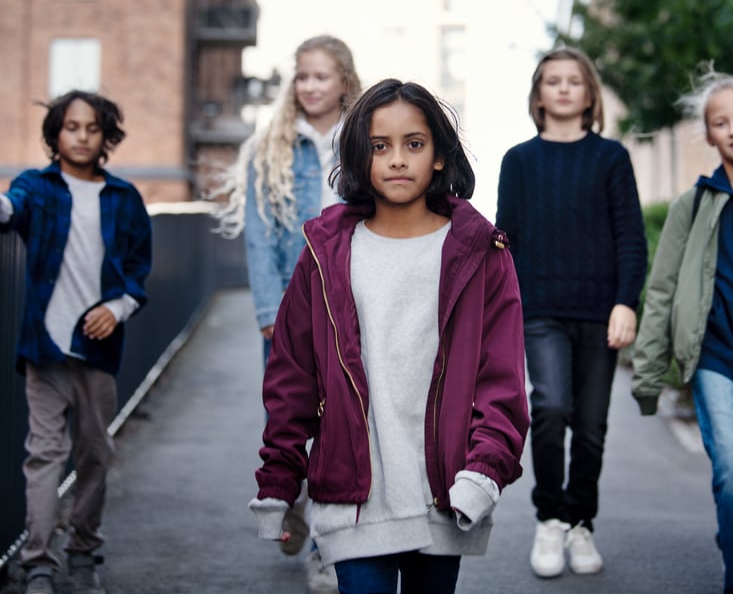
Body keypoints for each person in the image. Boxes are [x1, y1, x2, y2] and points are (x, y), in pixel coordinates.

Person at [248, 79, 529, 594]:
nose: (397, 159)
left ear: (440, 156)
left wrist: (483, 471)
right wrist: (279, 481)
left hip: (444, 496)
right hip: (352, 502)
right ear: (361, 157)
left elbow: (502, 381)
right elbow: (292, 377)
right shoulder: (325, 253)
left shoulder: (481, 253)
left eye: (414, 144)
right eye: (380, 146)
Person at [632, 69, 733, 594]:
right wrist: (648, 374)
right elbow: (660, 291)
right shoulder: (693, 205)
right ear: (707, 135)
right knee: (732, 473)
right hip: (714, 358)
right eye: (719, 122)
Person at [214, 35, 361, 593]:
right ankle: (296, 501)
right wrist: (267, 308)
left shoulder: (366, 139)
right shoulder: (268, 146)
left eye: (321, 76)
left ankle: (325, 549)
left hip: (349, 308)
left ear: (344, 79)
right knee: (292, 423)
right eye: (302, 76)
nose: (310, 86)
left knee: (342, 429)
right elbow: (258, 236)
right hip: (289, 312)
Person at [495, 46, 647, 579]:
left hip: (599, 311)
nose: (562, 88)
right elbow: (504, 239)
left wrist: (626, 302)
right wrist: (502, 310)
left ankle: (582, 523)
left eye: (573, 81)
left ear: (589, 95)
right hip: (540, 312)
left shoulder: (611, 158)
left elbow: (631, 235)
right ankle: (550, 520)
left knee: (590, 426)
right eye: (552, 81)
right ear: (538, 95)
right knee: (552, 407)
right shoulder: (518, 161)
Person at [0, 90, 152, 594]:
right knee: (44, 454)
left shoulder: (124, 198)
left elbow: (137, 271)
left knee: (93, 452)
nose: (82, 136)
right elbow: (8, 209)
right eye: (71, 127)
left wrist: (117, 308)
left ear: (106, 135)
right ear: (55, 134)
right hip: (44, 348)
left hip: (98, 348)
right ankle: (37, 561)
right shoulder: (35, 187)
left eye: (92, 128)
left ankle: (84, 550)